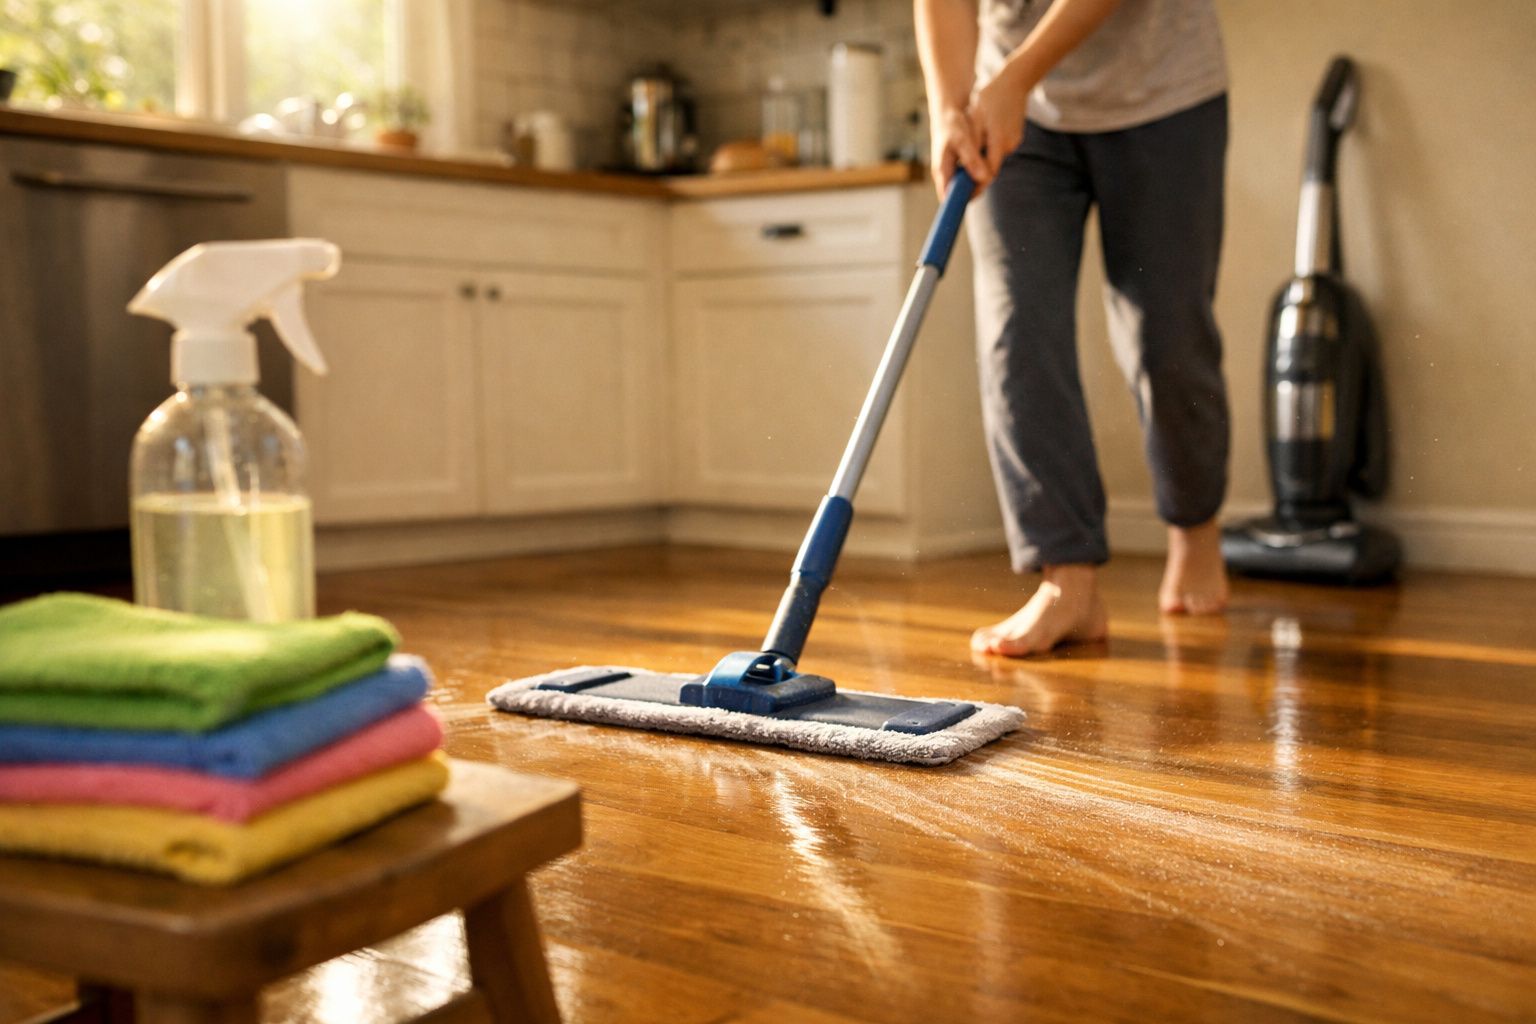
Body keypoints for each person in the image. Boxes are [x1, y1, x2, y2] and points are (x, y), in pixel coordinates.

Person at [915, 0, 1233, 656]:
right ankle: (1068, 582)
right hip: (1015, 111)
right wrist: (951, 106)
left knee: (1166, 334)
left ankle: (1195, 528)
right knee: (1016, 330)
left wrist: (1015, 78)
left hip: (1163, 93)